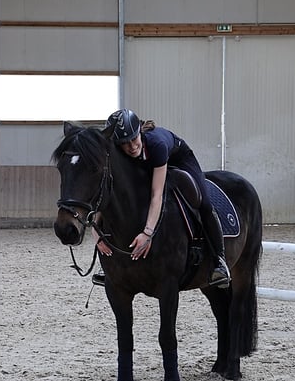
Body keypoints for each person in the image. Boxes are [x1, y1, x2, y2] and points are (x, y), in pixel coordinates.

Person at [96, 108, 230, 288]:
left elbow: (156, 194)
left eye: (133, 139)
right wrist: (96, 233)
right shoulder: (122, 153)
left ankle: (219, 260)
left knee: (204, 202)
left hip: (178, 158)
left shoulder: (156, 145)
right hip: (147, 161)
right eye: (124, 143)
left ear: (139, 133)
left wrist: (147, 233)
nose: (131, 146)